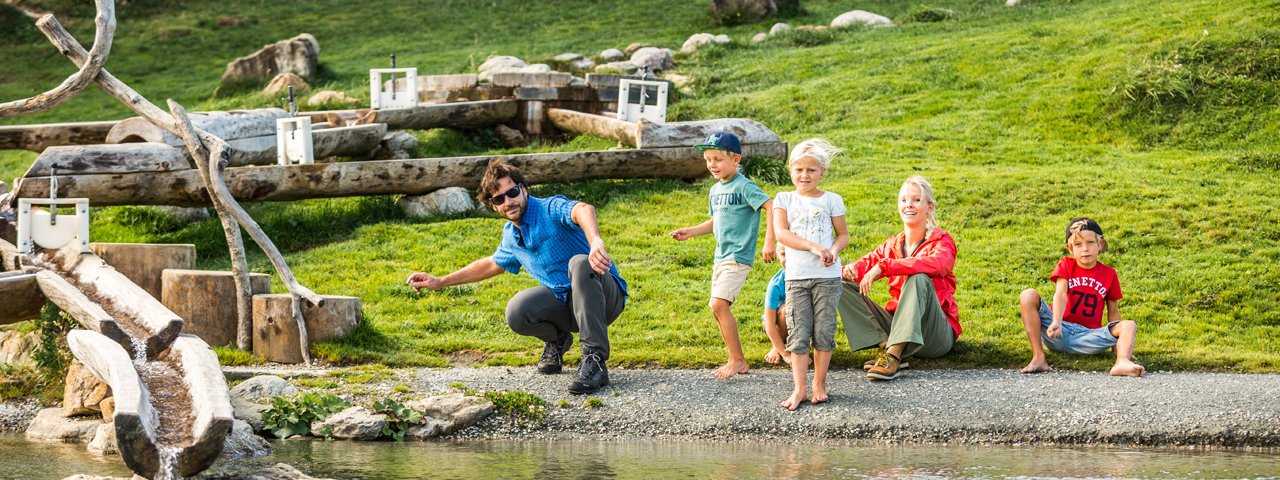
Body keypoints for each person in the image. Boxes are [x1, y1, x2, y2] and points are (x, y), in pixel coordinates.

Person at [406, 160, 627, 394]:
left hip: (604, 299)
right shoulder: (512, 235)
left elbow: (583, 209)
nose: (508, 201)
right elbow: (491, 264)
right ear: (493, 206)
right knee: (517, 310)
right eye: (499, 198)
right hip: (570, 306)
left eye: (512, 192)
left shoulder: (549, 208)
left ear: (524, 189)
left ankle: (594, 359)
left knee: (580, 263)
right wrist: (440, 281)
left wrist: (595, 242)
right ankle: (558, 340)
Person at [670, 131, 776, 380]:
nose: (712, 165)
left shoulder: (744, 186)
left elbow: (770, 205)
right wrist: (692, 232)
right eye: (708, 159)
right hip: (721, 257)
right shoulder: (715, 190)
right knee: (716, 308)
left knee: (719, 304)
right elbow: (716, 221)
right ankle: (736, 358)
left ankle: (737, 360)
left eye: (718, 159)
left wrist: (769, 240)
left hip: (738, 256)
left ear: (735, 159)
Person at [839, 175, 958, 381]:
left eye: (916, 200)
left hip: (935, 336)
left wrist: (885, 266)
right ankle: (888, 346)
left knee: (919, 277)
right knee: (839, 285)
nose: (908, 205)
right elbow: (866, 265)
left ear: (929, 207)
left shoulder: (942, 241)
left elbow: (938, 265)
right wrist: (848, 270)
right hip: (897, 326)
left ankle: (893, 354)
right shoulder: (893, 244)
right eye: (903, 200)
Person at [773, 139, 848, 410]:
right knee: (798, 332)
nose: (805, 176)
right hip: (796, 277)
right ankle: (799, 389)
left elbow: (843, 235)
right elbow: (782, 233)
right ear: (790, 170)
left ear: (822, 172)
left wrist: (833, 251)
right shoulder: (784, 199)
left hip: (827, 277)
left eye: (811, 171)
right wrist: (813, 246)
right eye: (799, 170)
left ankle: (819, 385)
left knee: (824, 331)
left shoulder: (832, 200)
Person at [1017, 217, 1144, 377]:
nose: (1085, 249)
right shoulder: (1066, 265)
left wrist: (1117, 347)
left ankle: (1122, 362)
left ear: (1100, 245)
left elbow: (1113, 312)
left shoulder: (1109, 274)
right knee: (1028, 295)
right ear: (1070, 248)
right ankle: (1038, 357)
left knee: (1129, 325)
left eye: (1090, 243)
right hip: (1059, 329)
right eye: (1078, 244)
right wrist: (1056, 321)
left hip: (1088, 336)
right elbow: (1061, 294)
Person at [761, 244, 791, 365]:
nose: (788, 259)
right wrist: (786, 355)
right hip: (776, 324)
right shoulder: (776, 284)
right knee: (787, 310)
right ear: (778, 255)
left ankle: (798, 348)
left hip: (801, 324)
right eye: (784, 254)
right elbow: (770, 323)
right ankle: (778, 347)